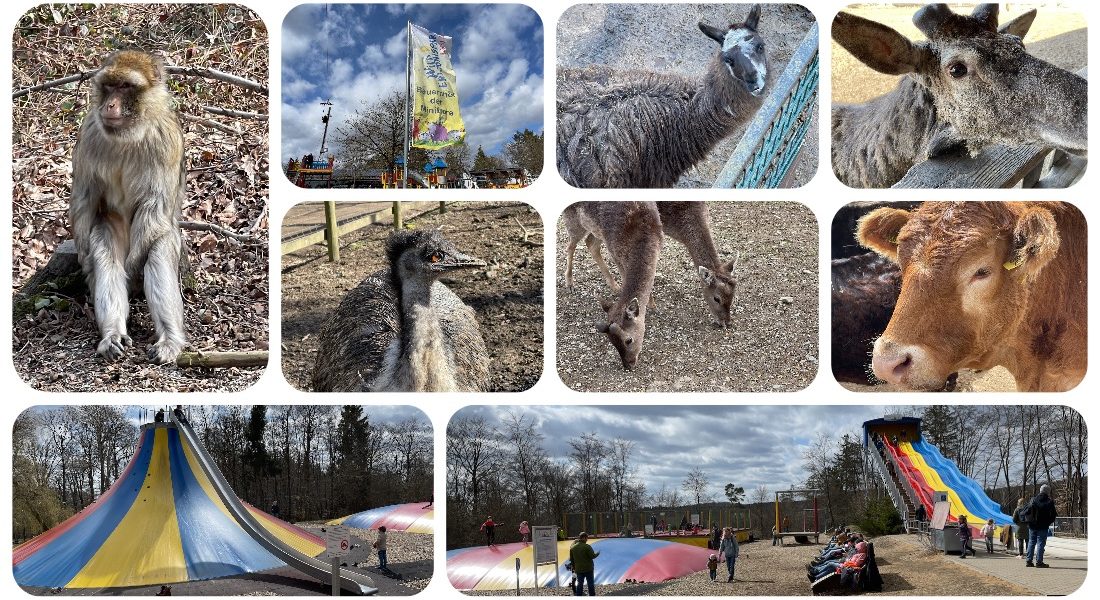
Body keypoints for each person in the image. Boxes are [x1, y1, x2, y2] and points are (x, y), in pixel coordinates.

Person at [1025, 484, 1057, 568]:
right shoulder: (1049, 502)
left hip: (1032, 525)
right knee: (1040, 543)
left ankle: (1029, 561)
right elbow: (1053, 515)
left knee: (1031, 542)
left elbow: (1027, 511)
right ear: (1048, 492)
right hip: (1043, 526)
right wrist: (1048, 522)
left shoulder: (1033, 500)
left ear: (1040, 490)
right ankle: (1039, 562)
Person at [569, 532, 599, 596]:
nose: (587, 540)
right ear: (584, 538)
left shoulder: (572, 548)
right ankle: (592, 596)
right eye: (586, 538)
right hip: (588, 568)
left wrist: (574, 568)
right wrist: (597, 553)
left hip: (578, 569)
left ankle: (579, 595)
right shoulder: (587, 547)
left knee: (580, 584)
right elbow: (592, 556)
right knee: (590, 583)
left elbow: (572, 560)